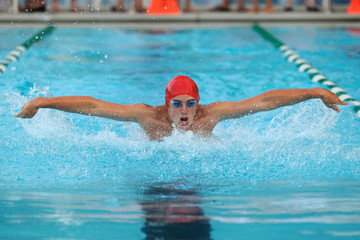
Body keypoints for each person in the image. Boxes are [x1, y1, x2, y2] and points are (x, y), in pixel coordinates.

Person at [15, 75, 347, 141]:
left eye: (191, 104)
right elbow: (94, 105)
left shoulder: (210, 115)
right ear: (166, 104)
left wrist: (313, 92)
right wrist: (44, 103)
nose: (185, 111)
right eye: (178, 104)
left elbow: (262, 102)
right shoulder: (148, 116)